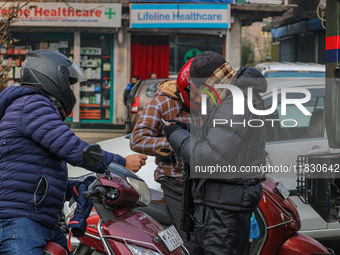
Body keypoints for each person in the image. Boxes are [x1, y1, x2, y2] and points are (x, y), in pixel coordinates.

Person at [0, 50, 147, 255]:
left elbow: (34, 170)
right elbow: (73, 149)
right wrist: (120, 162)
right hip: (20, 220)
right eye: (68, 83)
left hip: (38, 217)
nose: (70, 90)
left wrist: (72, 188)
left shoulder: (30, 106)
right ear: (51, 77)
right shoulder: (32, 104)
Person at [163, 51, 267, 255]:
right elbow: (224, 139)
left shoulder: (235, 103)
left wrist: (175, 135)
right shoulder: (236, 97)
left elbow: (208, 157)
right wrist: (187, 129)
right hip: (225, 202)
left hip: (223, 209)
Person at [130, 59, 201, 254]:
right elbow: (137, 139)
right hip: (176, 182)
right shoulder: (163, 101)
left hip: (206, 182)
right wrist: (176, 142)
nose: (201, 100)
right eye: (196, 94)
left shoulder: (212, 101)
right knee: (190, 242)